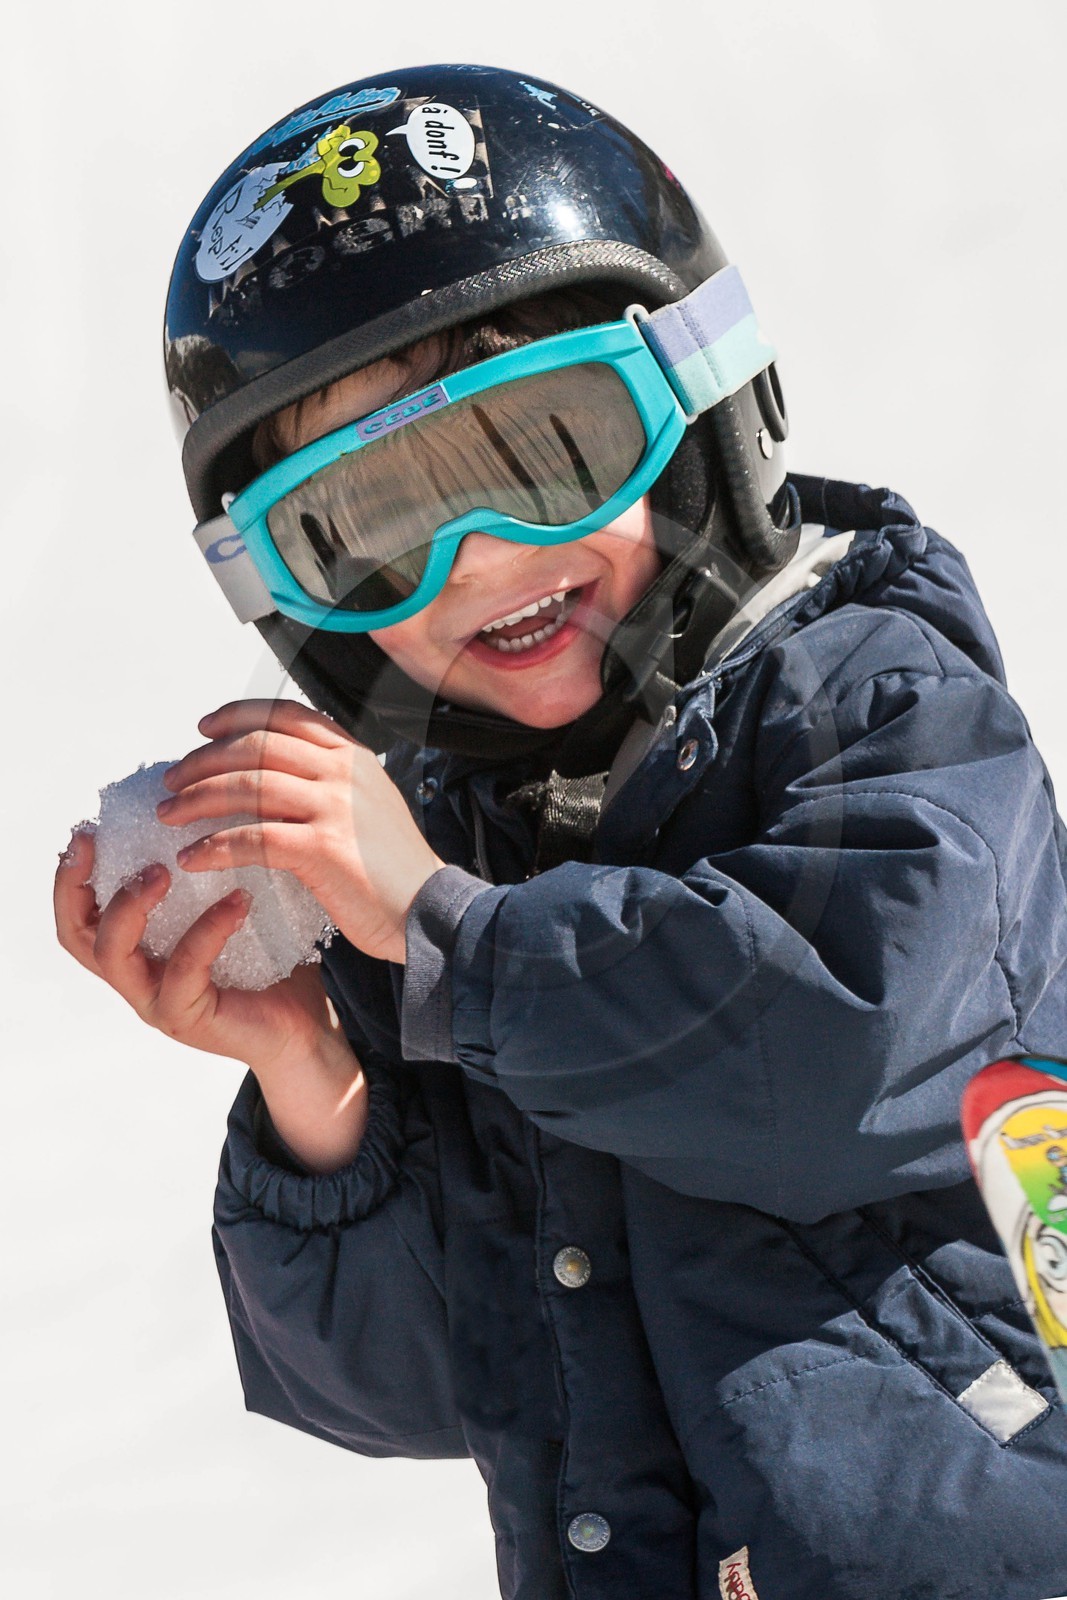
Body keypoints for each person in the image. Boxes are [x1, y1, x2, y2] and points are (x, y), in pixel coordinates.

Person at [55, 64, 1067, 1599]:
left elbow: (834, 1050)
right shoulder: (449, 859)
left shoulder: (880, 702)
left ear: (705, 403)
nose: (476, 564)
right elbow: (421, 1386)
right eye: (370, 531)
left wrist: (443, 930)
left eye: (542, 453)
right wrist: (309, 1072)